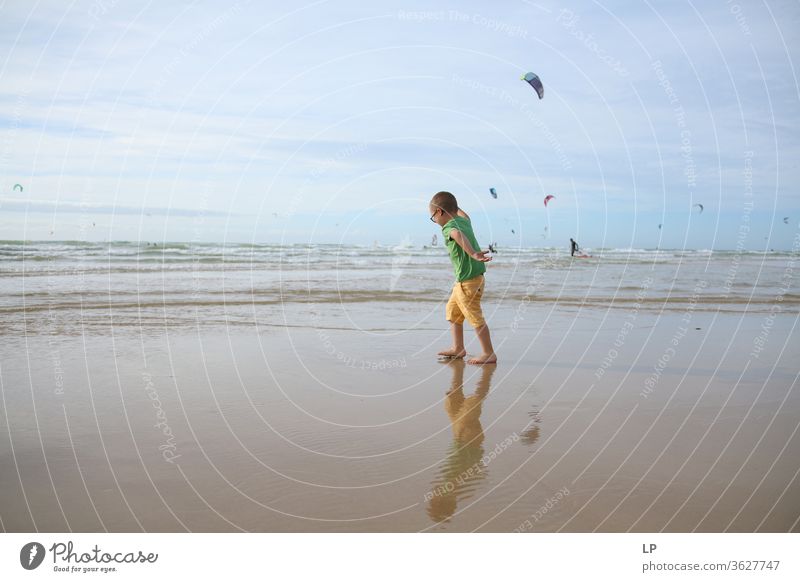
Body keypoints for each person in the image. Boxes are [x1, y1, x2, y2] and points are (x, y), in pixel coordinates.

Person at [429, 191, 496, 365]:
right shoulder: (465, 221)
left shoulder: (448, 228)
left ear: (439, 212)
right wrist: (452, 205)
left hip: (468, 281)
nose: (434, 221)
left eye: (432, 217)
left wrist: (473, 253)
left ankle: (488, 353)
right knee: (453, 312)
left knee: (474, 316)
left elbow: (457, 235)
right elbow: (462, 213)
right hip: (465, 281)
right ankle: (458, 348)